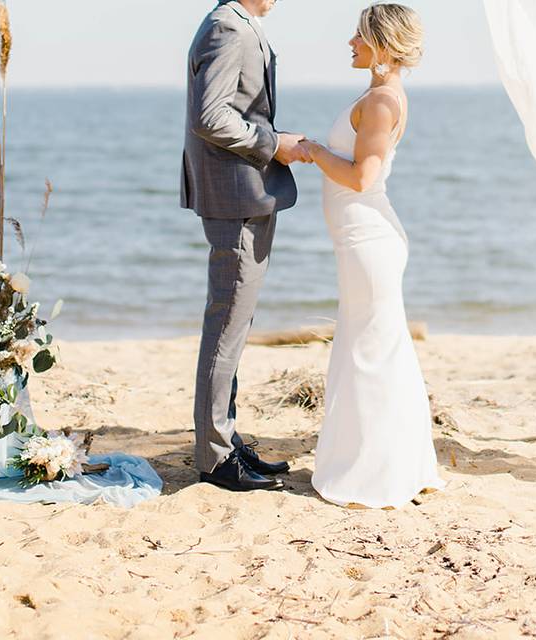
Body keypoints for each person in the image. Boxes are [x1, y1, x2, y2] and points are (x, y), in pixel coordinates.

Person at [299, 3, 445, 508]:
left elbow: (364, 177)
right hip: (361, 240)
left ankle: (374, 473)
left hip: (369, 241)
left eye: (359, 36)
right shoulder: (379, 94)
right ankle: (392, 463)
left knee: (369, 354)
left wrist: (314, 151)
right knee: (376, 349)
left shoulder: (382, 100)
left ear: (382, 43)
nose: (350, 43)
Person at [182, 0, 310, 492]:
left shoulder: (234, 23)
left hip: (244, 191)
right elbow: (210, 117)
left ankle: (225, 439)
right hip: (235, 193)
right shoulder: (226, 27)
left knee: (234, 322)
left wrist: (275, 139)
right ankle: (215, 457)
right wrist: (273, 144)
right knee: (227, 324)